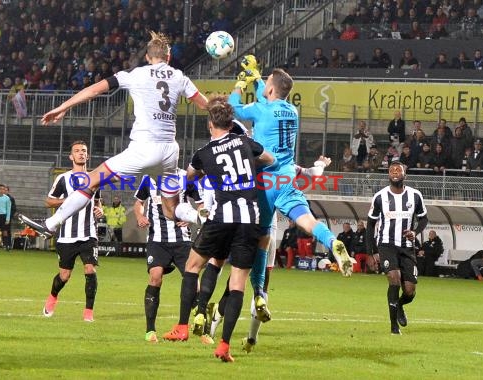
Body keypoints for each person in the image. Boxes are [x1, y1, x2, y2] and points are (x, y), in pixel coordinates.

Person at [18, 31, 208, 237]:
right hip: (170, 151)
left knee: (91, 181)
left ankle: (51, 224)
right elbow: (206, 105)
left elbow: (93, 91)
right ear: (168, 57)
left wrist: (63, 107)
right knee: (171, 210)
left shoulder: (135, 74)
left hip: (143, 148)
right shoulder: (180, 77)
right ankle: (198, 216)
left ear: (147, 57)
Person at [228, 58, 352, 352]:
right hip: (286, 178)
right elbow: (269, 98)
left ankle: (257, 292)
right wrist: (259, 78)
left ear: (271, 89)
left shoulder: (260, 108)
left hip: (262, 183)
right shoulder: (291, 110)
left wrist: (240, 85)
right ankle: (333, 242)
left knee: (261, 240)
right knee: (306, 221)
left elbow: (234, 109)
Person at [162, 96, 275, 363]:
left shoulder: (204, 153)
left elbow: (189, 176)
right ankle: (224, 345)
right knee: (237, 283)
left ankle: (182, 327)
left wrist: (205, 174)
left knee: (192, 266)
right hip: (249, 220)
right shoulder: (247, 143)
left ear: (211, 123)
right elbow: (268, 160)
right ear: (231, 122)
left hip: (222, 217)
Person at [134, 171, 202, 343]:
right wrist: (140, 215)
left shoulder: (186, 177)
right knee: (155, 277)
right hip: (157, 240)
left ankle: (202, 327)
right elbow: (138, 203)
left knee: (194, 281)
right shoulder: (149, 178)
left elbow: (201, 204)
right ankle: (150, 330)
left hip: (182, 240)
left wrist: (193, 218)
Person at [42, 140, 103, 322]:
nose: (81, 153)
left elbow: (98, 203)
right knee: (64, 275)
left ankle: (88, 313)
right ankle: (52, 297)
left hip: (88, 234)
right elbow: (49, 201)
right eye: (77, 151)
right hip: (67, 236)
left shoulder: (95, 178)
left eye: (84, 151)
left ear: (88, 155)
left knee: (90, 270)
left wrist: (100, 210)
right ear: (71, 156)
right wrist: (70, 201)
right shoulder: (63, 179)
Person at [367, 161, 428, 334]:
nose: (395, 172)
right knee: (394, 279)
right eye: (392, 170)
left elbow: (423, 219)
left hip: (407, 248)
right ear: (388, 175)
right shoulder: (380, 196)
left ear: (404, 174)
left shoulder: (415, 196)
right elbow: (370, 225)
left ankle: (400, 305)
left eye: (398, 170)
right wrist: (371, 252)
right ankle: (394, 327)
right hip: (386, 244)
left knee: (410, 291)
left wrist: (415, 232)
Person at [5, 186, 16, 250]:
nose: (5, 191)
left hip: (7, 218)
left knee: (7, 231)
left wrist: (9, 216)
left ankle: (8, 244)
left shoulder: (11, 198)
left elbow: (13, 209)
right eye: (4, 190)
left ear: (8, 191)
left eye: (6, 190)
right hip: (0, 216)